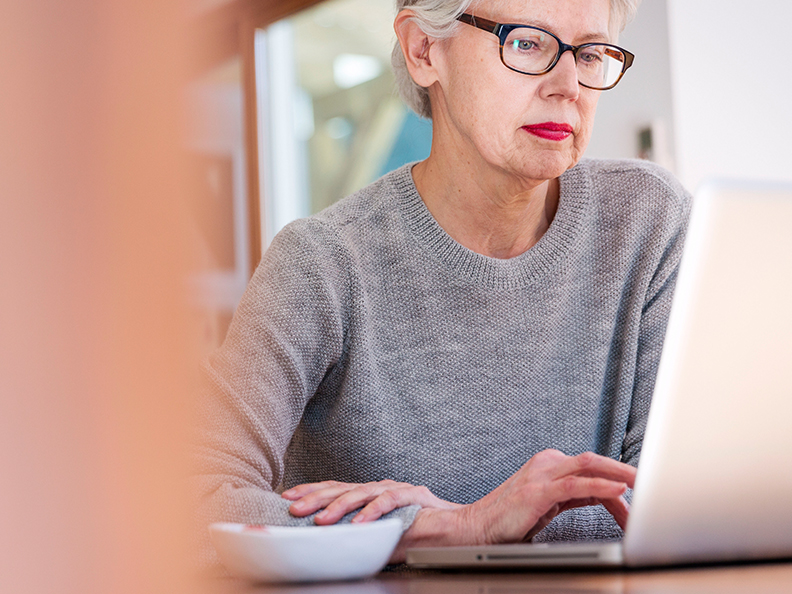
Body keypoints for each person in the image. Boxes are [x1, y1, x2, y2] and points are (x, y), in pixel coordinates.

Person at [194, 0, 690, 566]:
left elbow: (679, 499)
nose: (568, 85)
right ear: (424, 50)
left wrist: (483, 525)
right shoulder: (321, 265)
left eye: (591, 52)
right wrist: (447, 528)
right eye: (527, 43)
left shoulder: (648, 222)